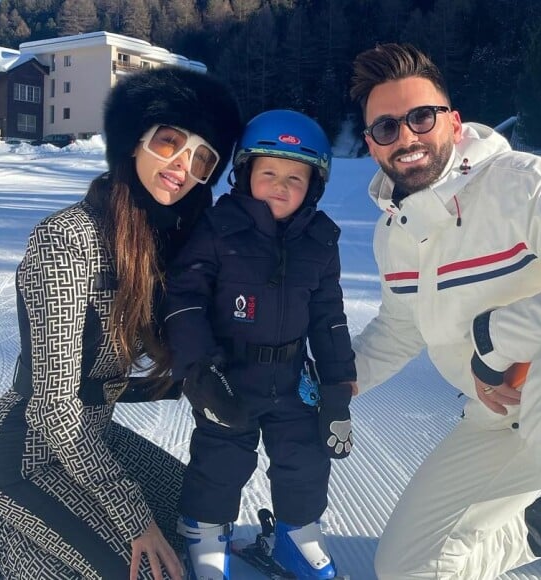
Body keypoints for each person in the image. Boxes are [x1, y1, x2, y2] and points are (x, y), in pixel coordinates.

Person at [0, 65, 241, 580]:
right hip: (28, 454)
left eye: (201, 158)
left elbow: (120, 376)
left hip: (93, 442)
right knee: (152, 567)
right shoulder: (66, 241)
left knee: (197, 512)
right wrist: (133, 520)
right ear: (135, 142)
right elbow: (57, 407)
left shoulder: (157, 243)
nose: (181, 164)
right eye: (169, 141)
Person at [349, 42, 541, 579]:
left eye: (420, 117)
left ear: (452, 121)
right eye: (386, 128)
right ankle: (540, 525)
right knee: (406, 569)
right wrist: (328, 383)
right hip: (499, 419)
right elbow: (399, 329)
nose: (406, 136)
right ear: (371, 146)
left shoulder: (526, 186)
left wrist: (498, 339)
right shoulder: (394, 233)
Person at [164, 109, 357, 580]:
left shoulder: (320, 239)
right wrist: (198, 371)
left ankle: (297, 533)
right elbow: (184, 298)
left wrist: (337, 385)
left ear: (314, 184)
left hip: (292, 378)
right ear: (245, 172)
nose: (280, 185)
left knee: (305, 458)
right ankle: (204, 531)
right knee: (221, 458)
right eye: (268, 172)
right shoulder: (216, 227)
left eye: (296, 176)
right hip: (227, 374)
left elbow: (329, 315)